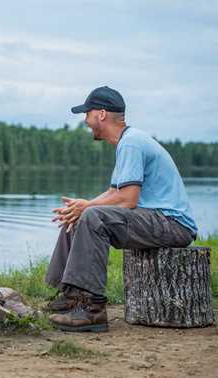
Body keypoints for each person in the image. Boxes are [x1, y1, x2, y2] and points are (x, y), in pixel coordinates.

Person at [45, 86, 197, 332]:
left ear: (102, 114)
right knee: (79, 214)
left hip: (173, 225)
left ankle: (92, 310)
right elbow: (114, 192)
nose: (85, 120)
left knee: (93, 216)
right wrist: (81, 205)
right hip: (155, 219)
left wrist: (89, 207)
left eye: (87, 113)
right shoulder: (128, 141)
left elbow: (128, 199)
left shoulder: (131, 143)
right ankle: (72, 296)